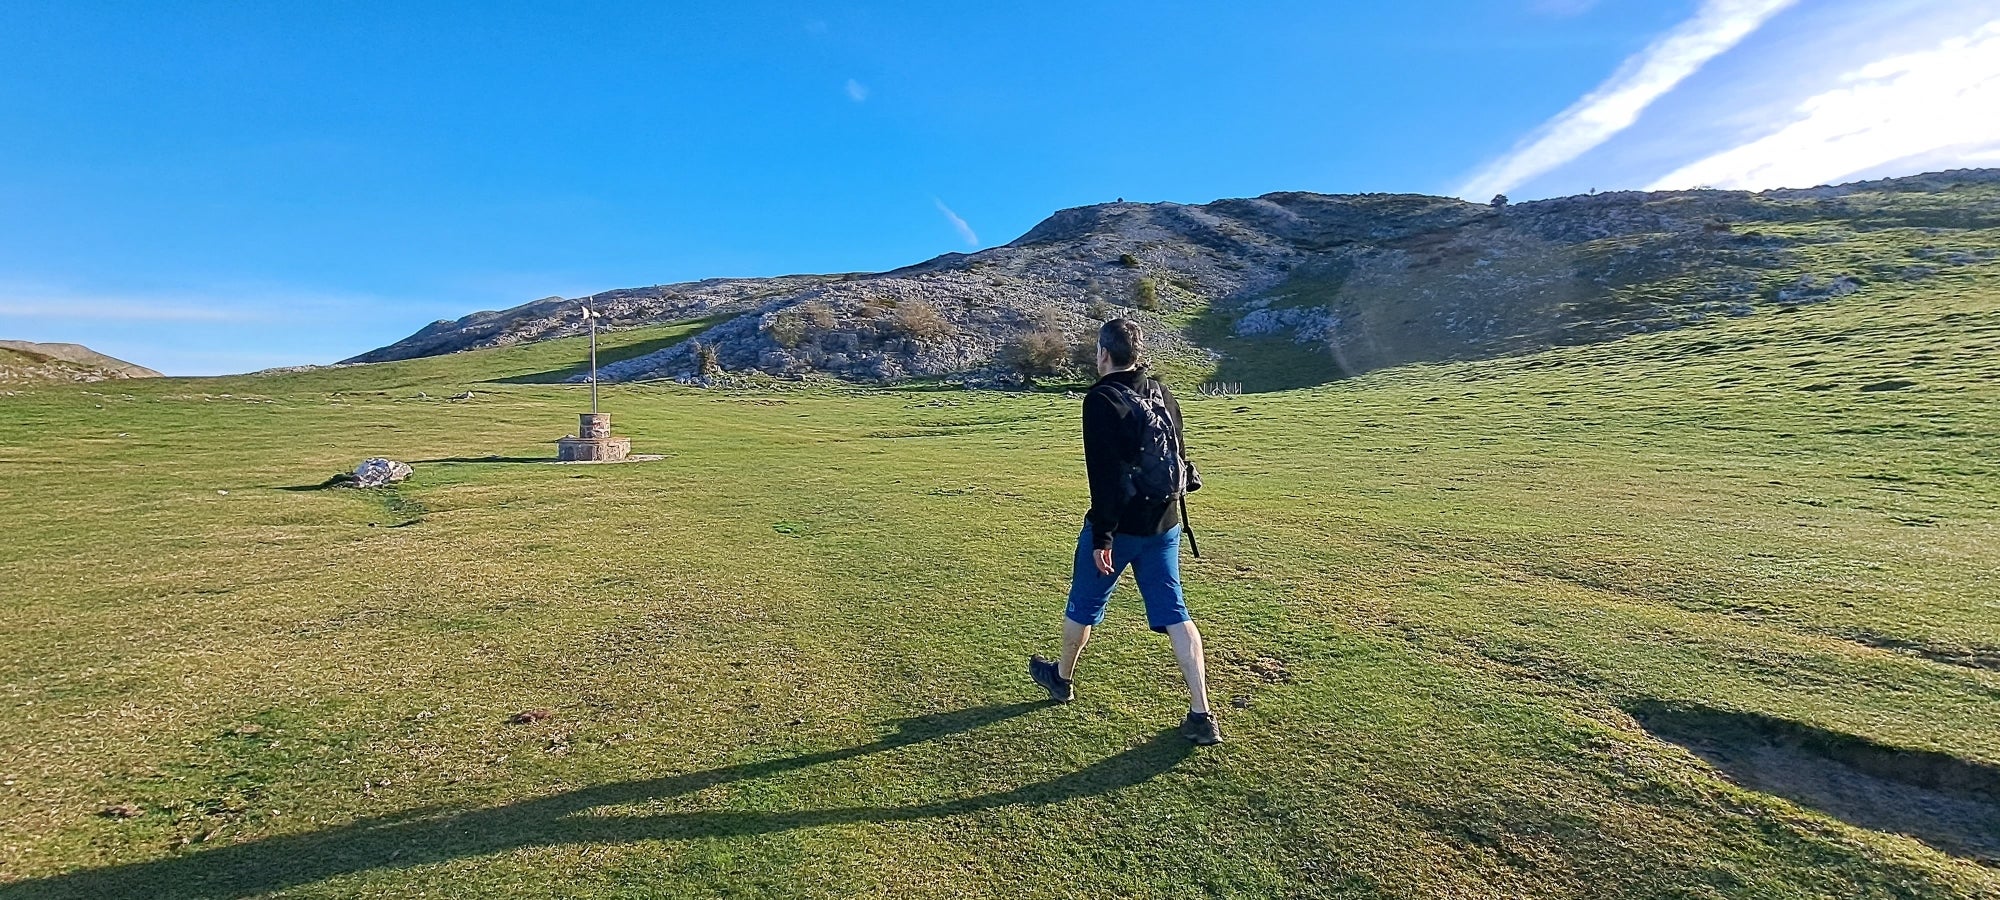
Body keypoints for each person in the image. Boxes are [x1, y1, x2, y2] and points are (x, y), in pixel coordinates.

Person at [1029, 318, 1219, 745]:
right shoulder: (1162, 394)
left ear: (1103, 353)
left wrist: (1103, 536)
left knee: (1083, 604)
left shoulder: (1101, 400)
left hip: (1122, 530)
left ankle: (1060, 679)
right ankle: (1201, 712)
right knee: (1175, 613)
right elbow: (1180, 456)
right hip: (1166, 524)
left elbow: (1105, 477)